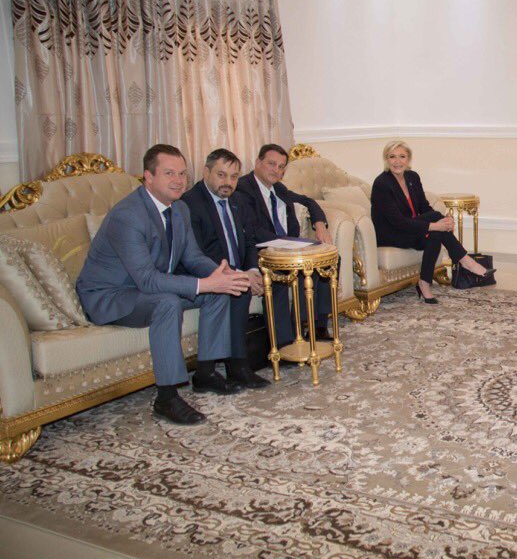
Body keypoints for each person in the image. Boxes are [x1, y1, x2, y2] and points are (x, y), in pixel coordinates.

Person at [76, 144, 250, 424]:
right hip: (112, 296)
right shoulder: (128, 215)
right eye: (169, 173)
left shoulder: (179, 209)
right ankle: (167, 398)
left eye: (182, 173)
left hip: (146, 289)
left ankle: (205, 373)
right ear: (148, 177)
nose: (178, 180)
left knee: (218, 291)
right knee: (169, 302)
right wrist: (205, 284)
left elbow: (192, 257)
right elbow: (145, 278)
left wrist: (223, 275)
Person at [181, 148, 270, 390]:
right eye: (221, 175)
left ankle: (248, 362)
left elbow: (250, 240)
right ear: (206, 172)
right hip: (203, 273)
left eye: (233, 176)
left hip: (237, 271)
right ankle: (234, 367)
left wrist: (252, 269)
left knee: (255, 283)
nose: (228, 183)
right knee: (237, 289)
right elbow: (197, 253)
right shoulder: (190, 203)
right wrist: (236, 275)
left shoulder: (238, 200)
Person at [370, 140, 492, 304]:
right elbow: (397, 222)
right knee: (436, 224)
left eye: (402, 156)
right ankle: (466, 261)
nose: (397, 161)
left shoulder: (412, 177)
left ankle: (424, 283)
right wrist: (435, 224)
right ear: (386, 159)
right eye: (392, 157)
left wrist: (444, 221)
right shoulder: (382, 184)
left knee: (436, 229)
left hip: (410, 227)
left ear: (409, 159)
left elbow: (424, 207)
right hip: (391, 233)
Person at [234, 143, 333, 343]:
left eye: (281, 167)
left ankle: (316, 326)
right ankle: (285, 343)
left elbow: (309, 201)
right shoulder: (243, 189)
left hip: (287, 247)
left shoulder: (278, 188)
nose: (276, 170)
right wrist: (284, 243)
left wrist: (319, 224)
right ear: (258, 162)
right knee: (278, 278)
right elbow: (251, 230)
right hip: (262, 252)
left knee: (325, 259)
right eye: (271, 164)